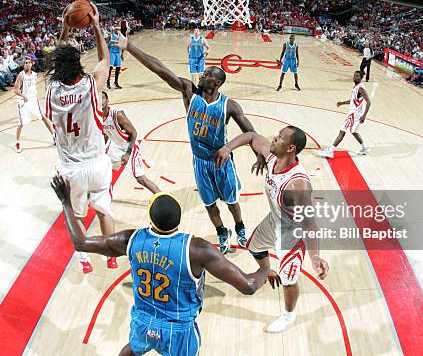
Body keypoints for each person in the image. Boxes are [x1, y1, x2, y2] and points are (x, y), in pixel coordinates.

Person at [50, 175, 269, 356]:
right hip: (178, 330)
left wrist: (65, 202)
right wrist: (264, 270)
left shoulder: (130, 240)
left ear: (150, 220)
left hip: (143, 321)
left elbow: (80, 242)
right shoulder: (197, 249)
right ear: (179, 219)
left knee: (131, 350)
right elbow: (248, 285)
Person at [123, 38, 265, 254]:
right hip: (200, 162)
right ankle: (221, 232)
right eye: (204, 73)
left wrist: (259, 154)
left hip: (221, 162)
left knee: (231, 201)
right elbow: (160, 69)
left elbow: (251, 132)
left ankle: (240, 227)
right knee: (209, 204)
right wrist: (130, 46)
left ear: (216, 83)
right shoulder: (189, 91)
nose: (202, 76)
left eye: (207, 75)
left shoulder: (229, 105)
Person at [214, 126, 329, 333]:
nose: (274, 138)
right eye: (277, 134)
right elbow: (252, 137)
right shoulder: (273, 159)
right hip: (274, 220)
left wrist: (315, 257)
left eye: (280, 137)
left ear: (290, 148)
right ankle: (267, 269)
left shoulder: (298, 186)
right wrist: (227, 148)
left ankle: (288, 315)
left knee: (288, 279)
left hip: (292, 235)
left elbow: (309, 223)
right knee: (255, 247)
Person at [46, 2, 116, 273]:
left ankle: (84, 260)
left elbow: (54, 59)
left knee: (77, 215)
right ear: (78, 64)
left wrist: (64, 31)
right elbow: (104, 59)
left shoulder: (52, 90)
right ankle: (110, 255)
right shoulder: (90, 84)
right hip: (96, 162)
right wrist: (96, 25)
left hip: (70, 169)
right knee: (103, 210)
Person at [101, 91, 161, 194]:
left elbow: (134, 133)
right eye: (98, 98)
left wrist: (128, 154)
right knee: (101, 168)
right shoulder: (98, 116)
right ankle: (102, 195)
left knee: (141, 179)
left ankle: (164, 198)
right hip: (114, 146)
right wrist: (101, 149)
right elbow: (106, 133)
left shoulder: (118, 115)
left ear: (107, 101)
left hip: (129, 146)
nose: (100, 101)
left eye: (102, 98)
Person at [318, 70, 371, 158]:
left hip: (354, 114)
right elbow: (352, 101)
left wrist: (364, 116)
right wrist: (342, 103)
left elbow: (369, 102)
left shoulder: (360, 88)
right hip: (354, 113)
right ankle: (365, 147)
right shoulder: (356, 87)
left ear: (361, 78)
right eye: (354, 75)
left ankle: (330, 151)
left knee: (342, 130)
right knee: (354, 131)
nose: (355, 77)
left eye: (357, 76)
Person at [13, 56, 55, 153]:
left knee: (44, 117)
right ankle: (17, 143)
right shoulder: (21, 75)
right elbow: (16, 90)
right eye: (25, 63)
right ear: (23, 65)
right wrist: (22, 95)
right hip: (23, 101)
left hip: (33, 100)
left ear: (32, 64)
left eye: (28, 62)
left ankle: (54, 136)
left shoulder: (35, 75)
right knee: (21, 123)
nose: (27, 64)